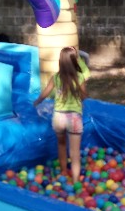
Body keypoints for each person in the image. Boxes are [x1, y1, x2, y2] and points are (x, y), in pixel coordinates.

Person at [33, 47, 88, 182]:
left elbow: (45, 93)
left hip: (59, 117)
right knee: (75, 153)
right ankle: (75, 180)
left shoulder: (56, 77)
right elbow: (83, 96)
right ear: (74, 61)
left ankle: (63, 172)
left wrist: (37, 102)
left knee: (61, 145)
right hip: (74, 117)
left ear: (61, 62)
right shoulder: (79, 77)